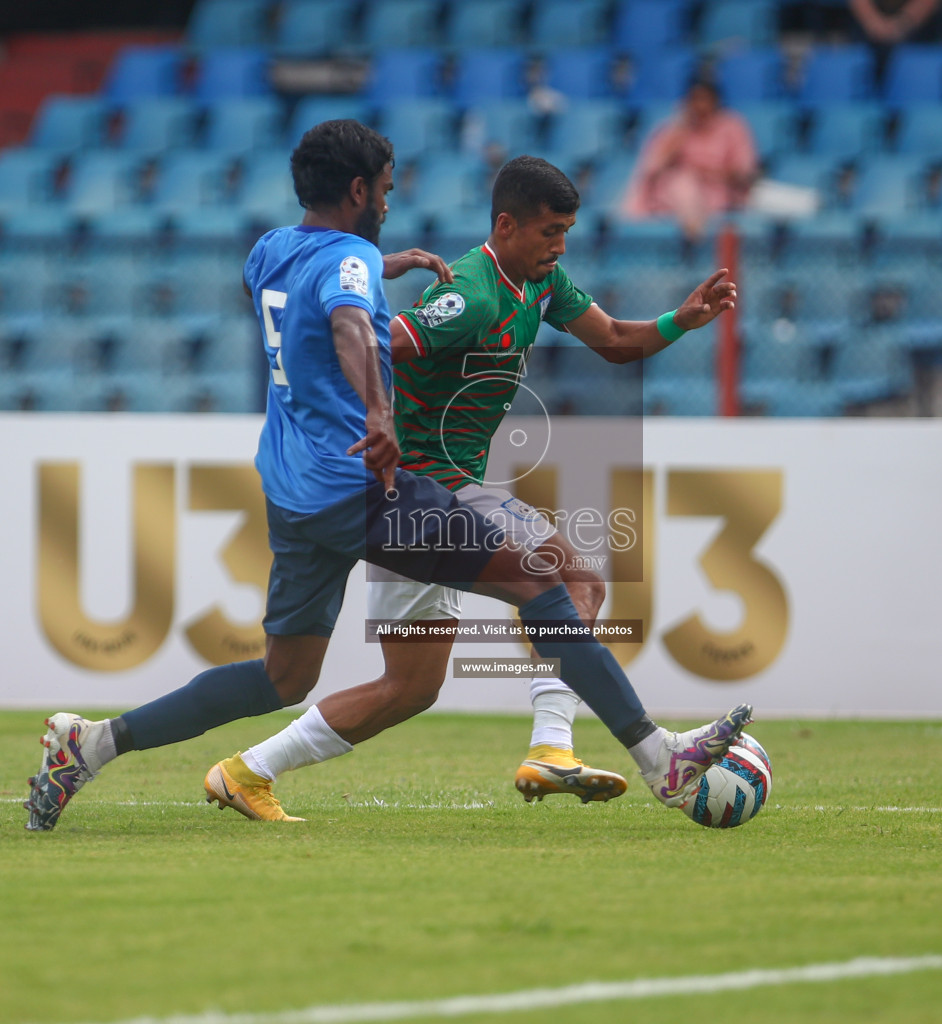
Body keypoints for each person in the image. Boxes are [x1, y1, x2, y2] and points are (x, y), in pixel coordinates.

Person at [25, 121, 752, 831]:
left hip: (294, 490)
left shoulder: (270, 252)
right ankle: (659, 759)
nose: (389, 201)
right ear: (358, 190)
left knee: (287, 678)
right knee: (544, 584)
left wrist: (384, 269)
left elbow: (325, 304)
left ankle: (94, 744)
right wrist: (378, 412)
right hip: (367, 485)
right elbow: (351, 326)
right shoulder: (364, 267)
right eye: (385, 190)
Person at [229, 155, 743, 818]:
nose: (560, 246)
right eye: (550, 231)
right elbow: (382, 340)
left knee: (409, 689)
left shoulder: (542, 282)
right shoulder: (469, 295)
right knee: (575, 579)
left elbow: (615, 339)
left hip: (438, 494)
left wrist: (681, 319)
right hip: (415, 493)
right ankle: (558, 746)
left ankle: (248, 769)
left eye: (567, 232)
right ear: (506, 225)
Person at [621, 79, 757, 241]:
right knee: (680, 182)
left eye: (705, 100)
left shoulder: (733, 127)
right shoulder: (673, 129)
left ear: (716, 102)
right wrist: (678, 135)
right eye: (695, 100)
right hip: (673, 199)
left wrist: (706, 173)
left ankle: (695, 240)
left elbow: (745, 174)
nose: (700, 106)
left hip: (720, 196)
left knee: (685, 183)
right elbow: (651, 170)